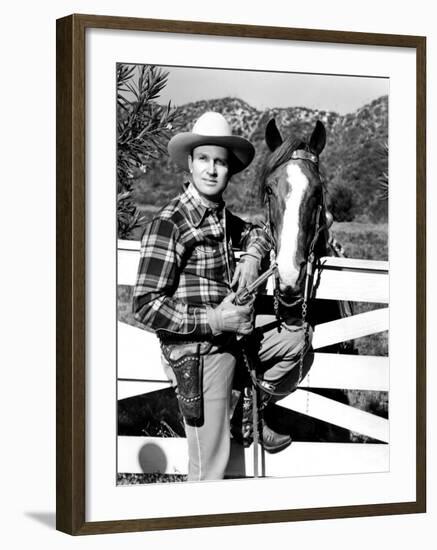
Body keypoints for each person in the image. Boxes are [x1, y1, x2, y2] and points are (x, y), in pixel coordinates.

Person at [133, 112, 313, 482]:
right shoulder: (171, 223)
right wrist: (215, 319)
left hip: (232, 339)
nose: (212, 169)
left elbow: (261, 232)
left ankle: (247, 405)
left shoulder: (222, 219)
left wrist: (251, 255)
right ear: (190, 163)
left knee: (297, 340)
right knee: (210, 469)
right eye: (204, 159)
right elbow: (146, 304)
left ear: (229, 170)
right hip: (201, 352)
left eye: (220, 162)